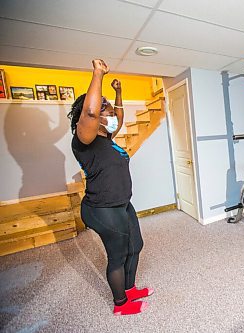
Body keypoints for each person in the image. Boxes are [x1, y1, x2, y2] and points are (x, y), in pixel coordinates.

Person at [67, 59, 152, 315]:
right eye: (103, 106)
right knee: (117, 255)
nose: (109, 111)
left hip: (122, 203)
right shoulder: (84, 139)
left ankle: (129, 288)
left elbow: (120, 117)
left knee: (135, 247)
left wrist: (117, 94)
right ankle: (120, 304)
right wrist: (98, 75)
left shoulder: (107, 137)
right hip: (101, 207)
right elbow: (91, 114)